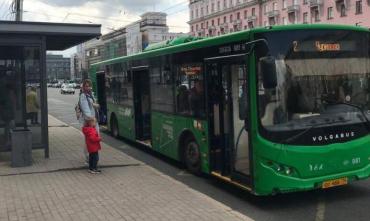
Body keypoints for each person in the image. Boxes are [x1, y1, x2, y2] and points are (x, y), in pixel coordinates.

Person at [79, 79, 100, 162]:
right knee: (90, 141)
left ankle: (92, 159)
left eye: (89, 86)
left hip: (94, 121)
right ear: (83, 87)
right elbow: (85, 110)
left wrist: (95, 105)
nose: (88, 88)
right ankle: (90, 159)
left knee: (93, 140)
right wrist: (92, 119)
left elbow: (92, 105)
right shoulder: (83, 96)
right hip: (90, 122)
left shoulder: (90, 95)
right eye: (86, 86)